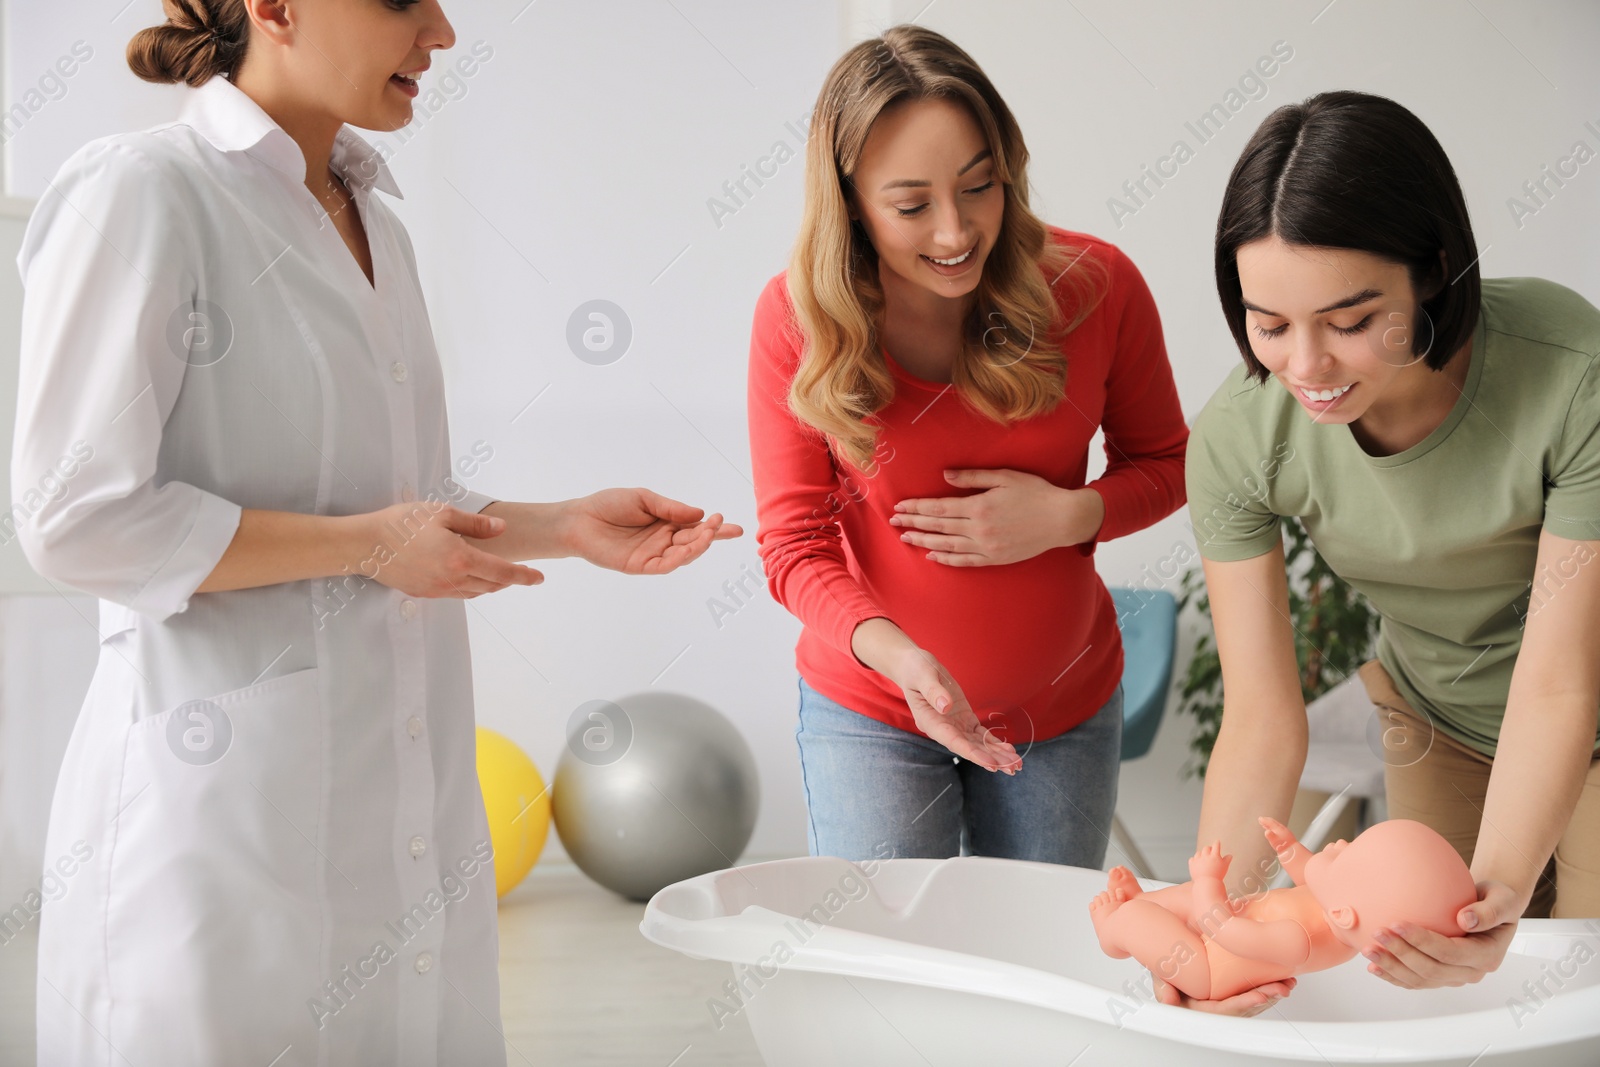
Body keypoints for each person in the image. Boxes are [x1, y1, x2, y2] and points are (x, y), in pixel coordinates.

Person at [11, 1, 738, 1063]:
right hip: (218, 822)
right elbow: (75, 520)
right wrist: (367, 545)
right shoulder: (142, 191)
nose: (440, 34)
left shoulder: (374, 222)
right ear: (275, 8)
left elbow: (388, 496)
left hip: (396, 801)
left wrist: (564, 526)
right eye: (405, 1)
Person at [1181, 89, 1600, 1015]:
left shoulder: (1572, 375)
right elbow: (1259, 718)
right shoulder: (1239, 439)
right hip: (1439, 716)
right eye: (1270, 323)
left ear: (1435, 270)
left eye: (1350, 319)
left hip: (1586, 704)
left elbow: (1561, 683)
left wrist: (1492, 896)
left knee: (1573, 986)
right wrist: (1214, 932)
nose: (1307, 369)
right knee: (1429, 991)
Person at [747, 25, 1188, 868]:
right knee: (892, 970)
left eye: (979, 187)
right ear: (850, 202)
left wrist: (1072, 515)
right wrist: (901, 657)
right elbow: (793, 547)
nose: (955, 232)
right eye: (912, 205)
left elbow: (1168, 464)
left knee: (1035, 973)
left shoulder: (1098, 288)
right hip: (873, 709)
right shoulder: (796, 321)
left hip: (1062, 712)